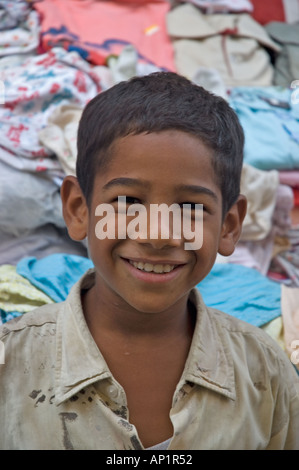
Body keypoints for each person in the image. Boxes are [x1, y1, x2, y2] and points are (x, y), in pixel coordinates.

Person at [0, 72, 298, 450]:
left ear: (229, 225)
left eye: (190, 207)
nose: (157, 235)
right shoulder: (10, 364)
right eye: (128, 202)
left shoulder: (265, 371)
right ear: (78, 209)